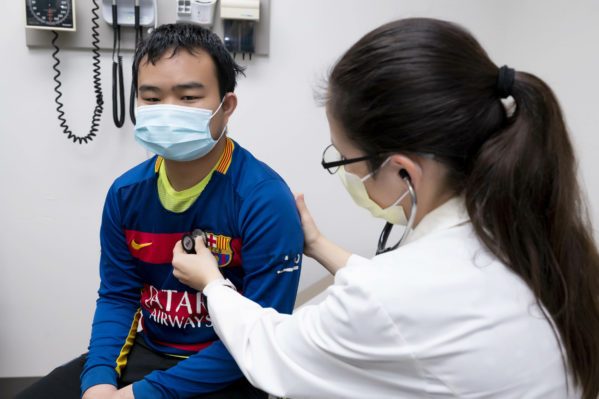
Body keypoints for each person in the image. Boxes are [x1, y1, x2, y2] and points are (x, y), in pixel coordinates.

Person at [170, 17, 599, 399]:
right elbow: (408, 296)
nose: (344, 175)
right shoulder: (526, 236)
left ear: (403, 172)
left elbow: (274, 352)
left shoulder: (398, 293)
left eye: (343, 159)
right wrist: (317, 244)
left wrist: (211, 283)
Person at [18, 23, 303, 399]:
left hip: (229, 367)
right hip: (149, 352)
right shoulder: (126, 194)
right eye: (151, 99)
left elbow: (261, 336)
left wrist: (142, 395)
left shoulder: (263, 200)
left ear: (226, 106)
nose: (168, 112)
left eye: (188, 98)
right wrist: (100, 382)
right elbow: (119, 296)